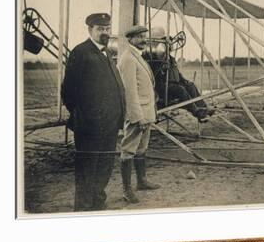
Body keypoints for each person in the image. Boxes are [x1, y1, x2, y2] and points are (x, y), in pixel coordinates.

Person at [61, 12, 126, 211]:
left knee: (104, 167)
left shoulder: (106, 53)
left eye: (107, 29)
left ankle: (98, 203)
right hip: (91, 126)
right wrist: (84, 116)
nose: (105, 32)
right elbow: (68, 90)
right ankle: (83, 209)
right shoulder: (81, 53)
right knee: (87, 169)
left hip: (110, 124)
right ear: (90, 30)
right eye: (100, 29)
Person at [117, 25, 161, 203]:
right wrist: (137, 116)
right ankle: (127, 190)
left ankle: (141, 181)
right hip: (138, 114)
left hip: (146, 111)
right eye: (140, 37)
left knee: (141, 149)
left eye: (145, 36)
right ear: (131, 39)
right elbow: (129, 91)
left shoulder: (137, 56)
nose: (144, 40)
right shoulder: (128, 58)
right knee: (128, 150)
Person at [142, 26, 212, 122]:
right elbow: (153, 77)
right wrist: (162, 67)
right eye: (166, 43)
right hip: (162, 88)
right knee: (180, 90)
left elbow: (177, 74)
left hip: (173, 86)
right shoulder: (154, 59)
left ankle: (204, 109)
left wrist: (184, 81)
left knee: (190, 85)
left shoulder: (171, 59)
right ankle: (197, 112)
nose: (169, 45)